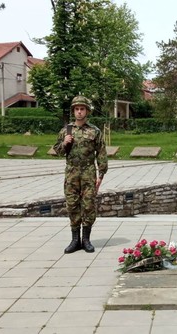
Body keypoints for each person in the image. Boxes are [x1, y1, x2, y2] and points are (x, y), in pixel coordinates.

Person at [53, 95, 108, 254]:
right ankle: (75, 240)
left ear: (87, 111)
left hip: (88, 172)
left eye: (82, 109)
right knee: (72, 204)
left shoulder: (94, 131)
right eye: (76, 109)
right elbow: (57, 150)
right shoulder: (66, 130)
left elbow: (101, 153)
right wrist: (65, 143)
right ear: (73, 111)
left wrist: (101, 174)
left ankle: (86, 240)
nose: (79, 112)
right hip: (71, 173)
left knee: (89, 205)